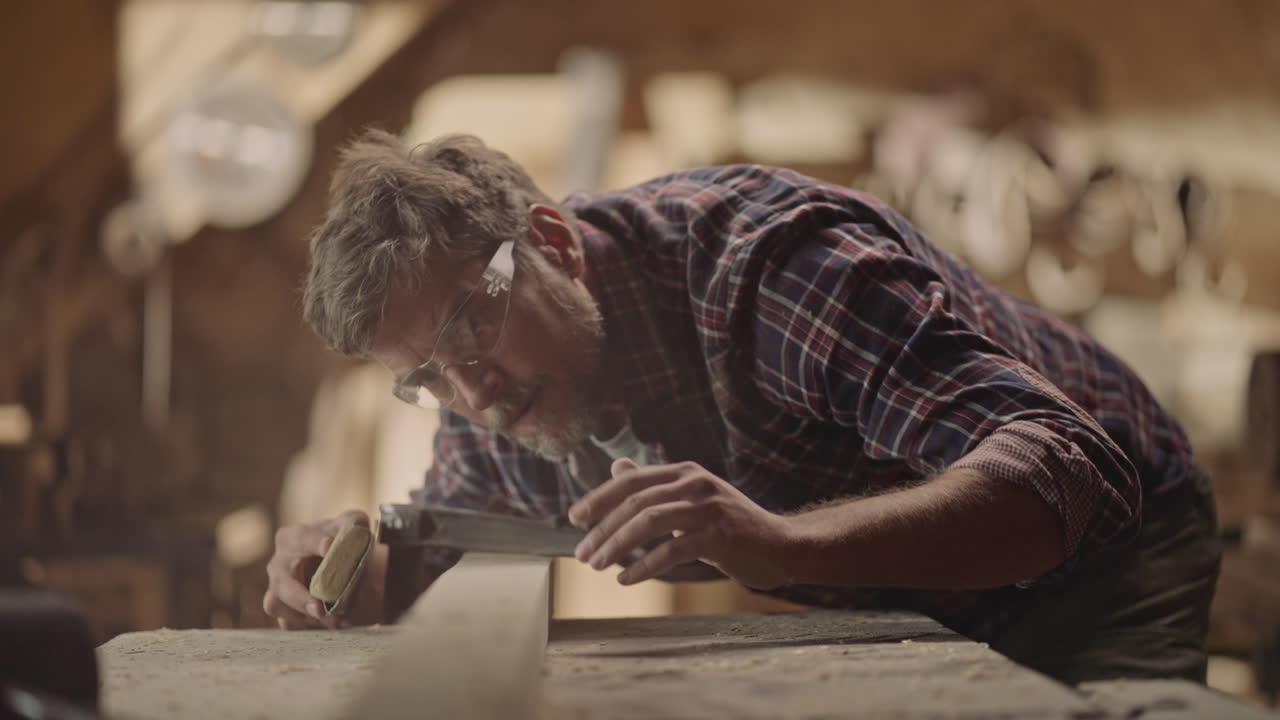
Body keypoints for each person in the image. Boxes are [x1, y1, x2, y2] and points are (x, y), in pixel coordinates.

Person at [263, 129, 1221, 684]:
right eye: (424, 376)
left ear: (551, 240)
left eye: (470, 332)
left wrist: (781, 545)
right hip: (913, 602)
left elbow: (1066, 477)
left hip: (1109, 550)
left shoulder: (767, 266)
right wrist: (358, 583)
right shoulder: (506, 390)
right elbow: (456, 567)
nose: (469, 393)